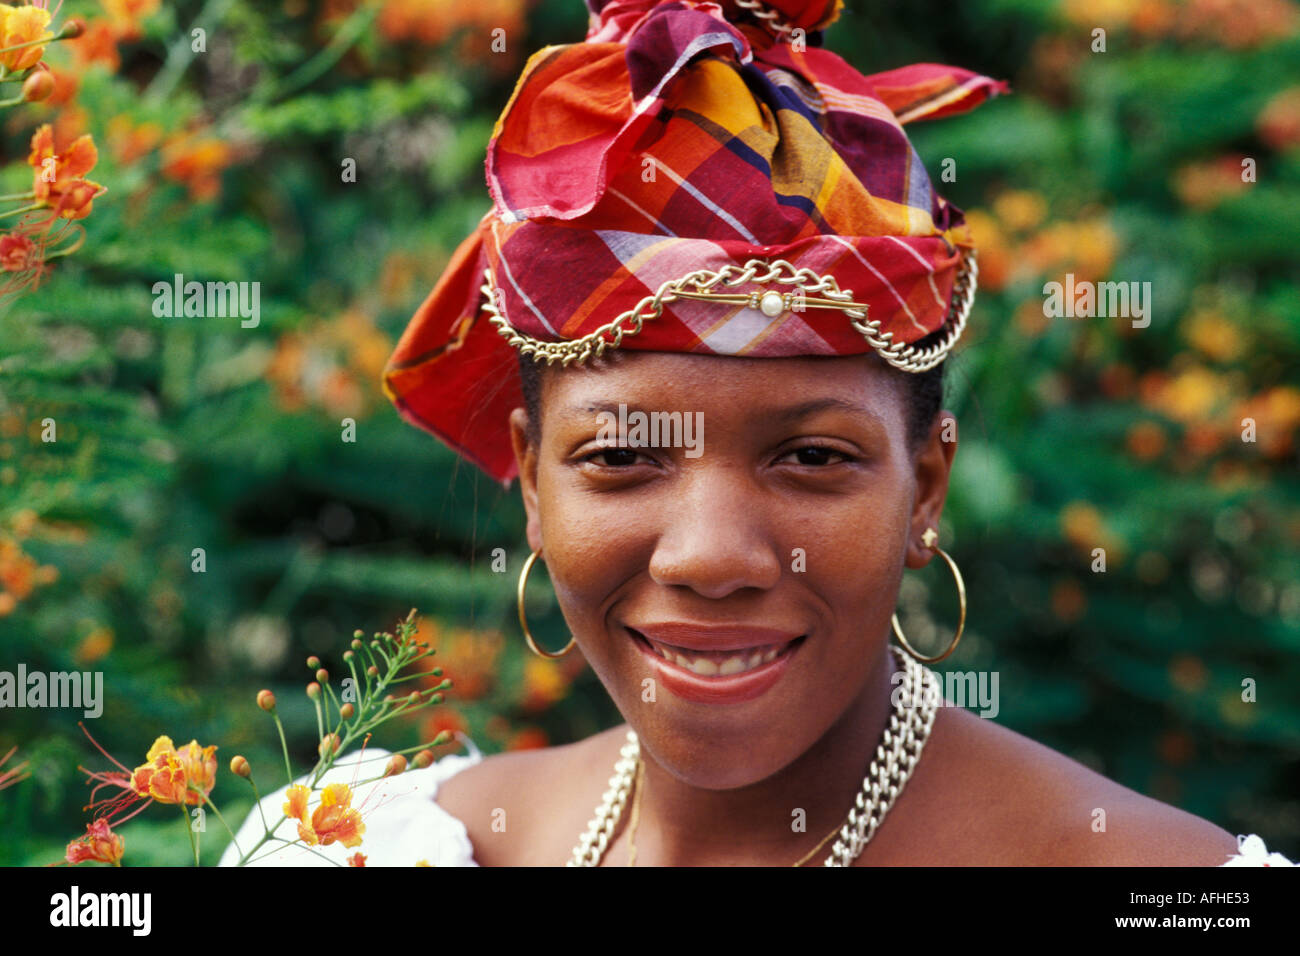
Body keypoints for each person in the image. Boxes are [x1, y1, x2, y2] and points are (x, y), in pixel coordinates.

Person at [222, 0, 1295, 867]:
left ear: (924, 487)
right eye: (621, 457)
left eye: (811, 457)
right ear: (538, 491)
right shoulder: (358, 847)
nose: (713, 555)